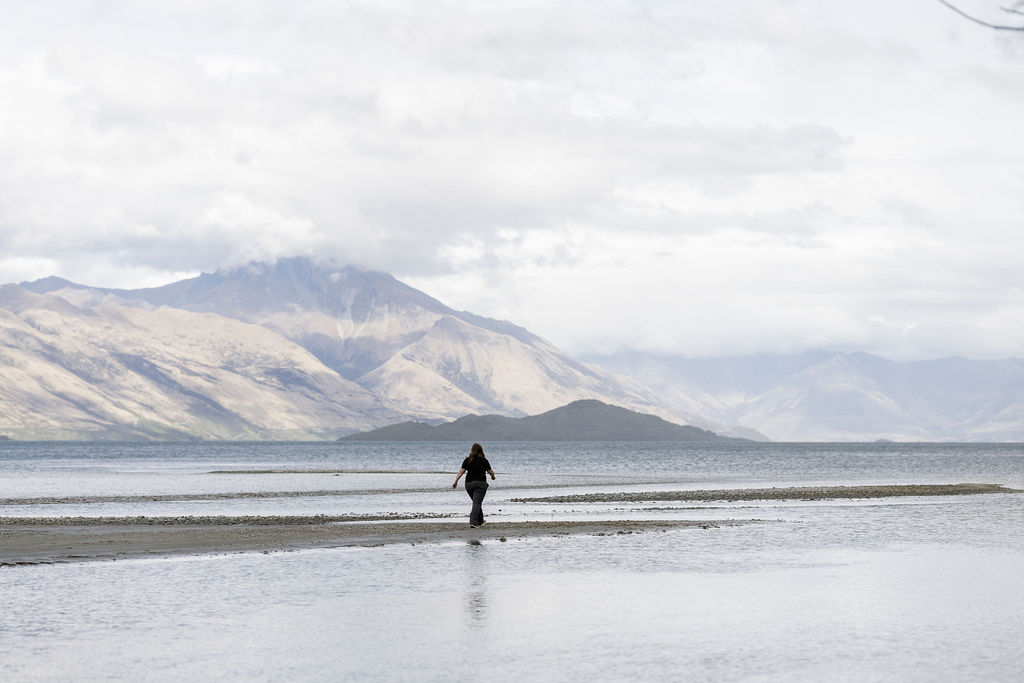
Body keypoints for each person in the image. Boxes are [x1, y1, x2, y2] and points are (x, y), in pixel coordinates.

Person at [452, 443, 496, 528]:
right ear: (481, 451)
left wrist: (456, 481)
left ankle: (480, 521)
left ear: (472, 450)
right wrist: (493, 476)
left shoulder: (468, 460)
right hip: (480, 484)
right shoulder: (484, 461)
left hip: (469, 484)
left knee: (476, 502)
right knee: (477, 503)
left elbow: (461, 472)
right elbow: (491, 471)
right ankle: (473, 522)